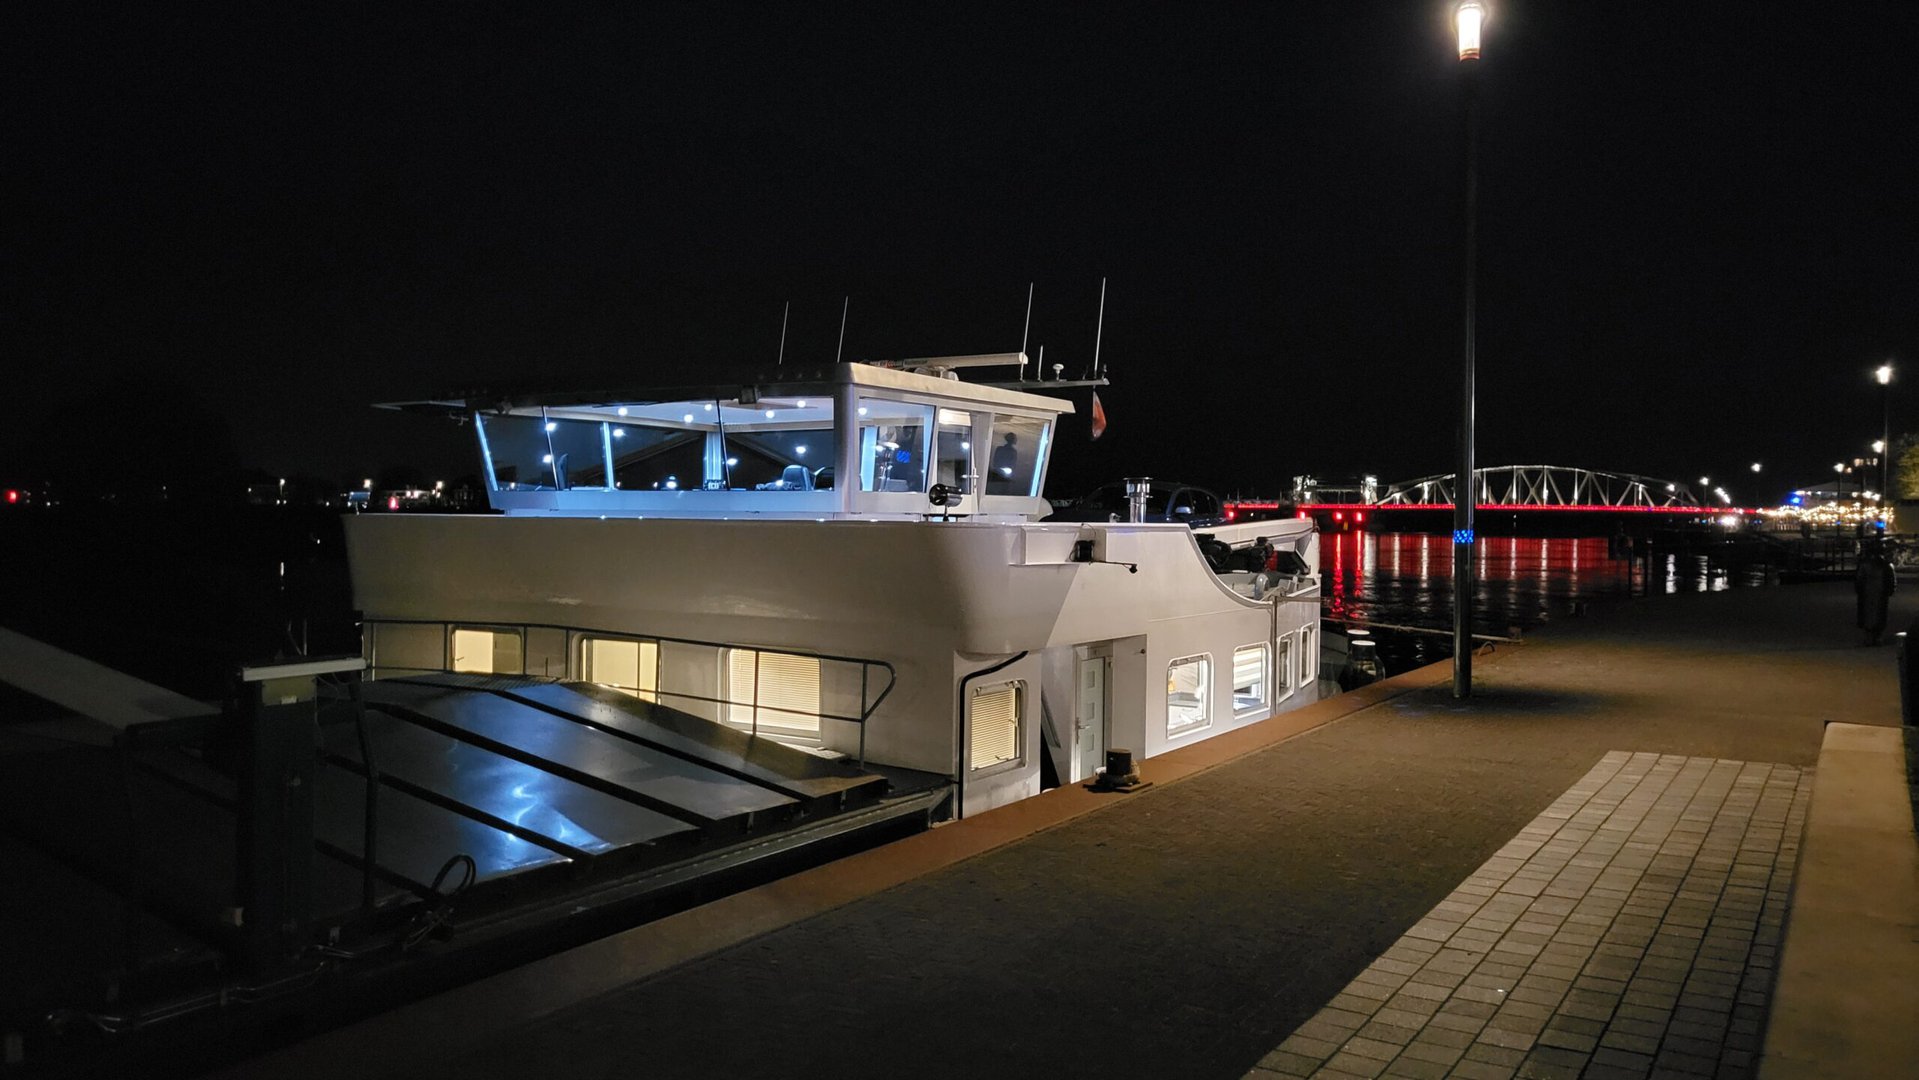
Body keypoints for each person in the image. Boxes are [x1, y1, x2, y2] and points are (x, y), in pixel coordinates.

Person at [1854, 539, 1896, 645]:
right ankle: (1876, 636)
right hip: (1878, 592)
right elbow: (1891, 579)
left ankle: (1870, 636)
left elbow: (1859, 579)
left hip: (1869, 592)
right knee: (1878, 614)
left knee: (1869, 614)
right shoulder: (1885, 565)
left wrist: (1859, 589)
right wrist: (1890, 589)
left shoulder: (1865, 564)